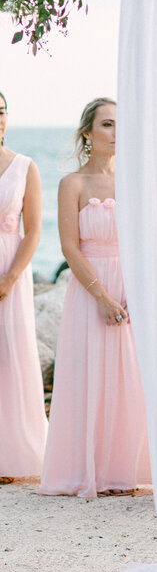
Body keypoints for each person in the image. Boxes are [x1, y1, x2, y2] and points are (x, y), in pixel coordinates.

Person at [40, 99, 150, 498]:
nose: (117, 132)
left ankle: (122, 470)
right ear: (88, 132)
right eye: (107, 124)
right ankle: (84, 469)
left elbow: (143, 243)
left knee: (129, 378)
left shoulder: (133, 181)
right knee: (89, 375)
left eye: (122, 124)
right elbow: (70, 248)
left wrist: (137, 293)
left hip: (129, 288)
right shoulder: (73, 184)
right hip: (89, 290)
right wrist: (102, 297)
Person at [0, 91, 48, 481]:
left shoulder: (24, 166)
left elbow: (33, 231)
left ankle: (14, 453)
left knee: (13, 355)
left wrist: (11, 276)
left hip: (11, 270)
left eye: (1, 113)